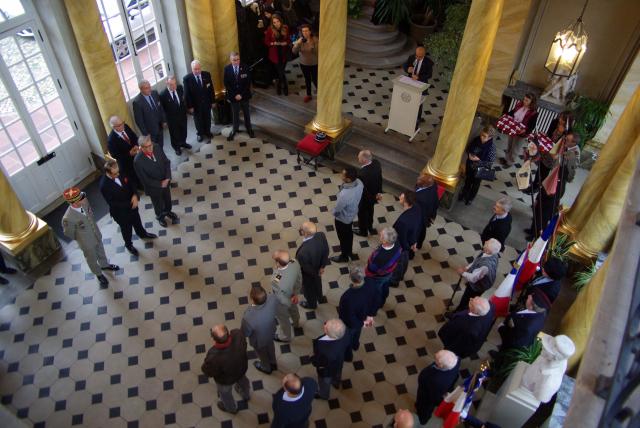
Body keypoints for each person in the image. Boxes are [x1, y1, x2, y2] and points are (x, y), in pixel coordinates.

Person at [526, 132, 580, 240]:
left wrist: (560, 158)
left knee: (545, 211)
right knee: (538, 205)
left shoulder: (574, 154)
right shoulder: (564, 147)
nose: (564, 141)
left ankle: (536, 234)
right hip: (550, 180)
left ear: (573, 142)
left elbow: (570, 176)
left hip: (557, 185)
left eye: (567, 140)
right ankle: (532, 229)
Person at [61, 187, 119, 287]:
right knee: (92, 259)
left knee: (101, 250)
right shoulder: (68, 218)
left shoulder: (85, 203)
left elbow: (90, 215)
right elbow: (69, 233)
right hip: (86, 242)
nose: (84, 198)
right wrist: (82, 239)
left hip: (95, 233)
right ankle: (98, 274)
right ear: (74, 202)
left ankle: (104, 265)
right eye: (81, 198)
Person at [99, 159, 157, 256]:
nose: (118, 174)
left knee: (137, 221)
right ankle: (129, 244)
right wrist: (130, 203)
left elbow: (131, 183)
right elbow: (112, 203)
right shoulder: (104, 185)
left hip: (133, 205)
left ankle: (142, 233)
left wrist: (135, 195)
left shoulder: (120, 171)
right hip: (121, 213)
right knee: (127, 230)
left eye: (118, 172)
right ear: (107, 173)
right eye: (115, 174)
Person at [201, 324, 250, 414]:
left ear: (214, 338)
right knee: (243, 382)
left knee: (225, 394)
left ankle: (231, 408)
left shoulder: (213, 356)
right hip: (241, 369)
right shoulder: (238, 334)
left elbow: (207, 372)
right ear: (228, 332)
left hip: (226, 380)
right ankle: (246, 395)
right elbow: (245, 345)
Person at [133, 135, 177, 228]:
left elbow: (166, 162)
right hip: (153, 188)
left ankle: (168, 211)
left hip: (165, 181)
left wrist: (168, 177)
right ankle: (160, 217)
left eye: (151, 145)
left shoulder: (156, 147)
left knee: (167, 200)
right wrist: (160, 184)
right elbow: (144, 179)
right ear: (141, 148)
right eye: (147, 146)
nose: (150, 148)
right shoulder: (138, 161)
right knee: (158, 204)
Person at [449, 238, 501, 314]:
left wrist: (462, 273)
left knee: (467, 299)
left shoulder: (485, 266)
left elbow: (473, 278)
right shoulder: (493, 253)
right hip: (480, 278)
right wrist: (467, 268)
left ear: (488, 251)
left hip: (478, 286)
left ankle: (459, 313)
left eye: (487, 243)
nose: (485, 241)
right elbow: (477, 261)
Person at [338, 266, 377, 361]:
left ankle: (348, 357)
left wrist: (360, 324)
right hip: (363, 317)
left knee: (347, 339)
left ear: (351, 278)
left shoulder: (347, 297)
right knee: (357, 333)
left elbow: (347, 317)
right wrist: (370, 315)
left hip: (352, 324)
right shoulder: (371, 283)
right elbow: (376, 299)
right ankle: (355, 345)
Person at [415, 350, 460, 425]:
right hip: (444, 387)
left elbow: (433, 397)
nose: (435, 354)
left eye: (436, 359)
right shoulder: (456, 360)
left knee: (425, 408)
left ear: (441, 366)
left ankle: (422, 420)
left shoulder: (434, 380)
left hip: (427, 396)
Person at [241, 285, 279, 374]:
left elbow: (245, 333)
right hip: (271, 332)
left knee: (262, 354)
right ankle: (273, 363)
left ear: (252, 299)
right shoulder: (272, 298)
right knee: (271, 347)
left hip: (259, 340)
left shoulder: (248, 317)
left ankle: (266, 367)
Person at [311, 318, 351, 400]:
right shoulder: (345, 331)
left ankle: (323, 395)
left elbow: (320, 362)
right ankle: (336, 382)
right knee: (337, 372)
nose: (324, 324)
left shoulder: (325, 350)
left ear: (329, 333)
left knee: (324, 382)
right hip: (339, 361)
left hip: (327, 370)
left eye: (326, 326)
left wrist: (313, 360)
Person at [330, 167, 364, 263]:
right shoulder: (359, 183)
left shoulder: (344, 195)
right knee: (349, 234)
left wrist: (334, 214)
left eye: (343, 174)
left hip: (343, 219)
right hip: (352, 213)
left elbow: (338, 209)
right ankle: (349, 251)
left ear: (348, 179)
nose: (341, 175)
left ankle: (344, 256)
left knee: (343, 238)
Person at [365, 227, 402, 311]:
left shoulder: (380, 257)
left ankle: (374, 307)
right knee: (385, 287)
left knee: (376, 291)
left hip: (377, 277)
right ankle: (382, 301)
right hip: (389, 273)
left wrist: (367, 271)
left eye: (381, 235)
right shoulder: (397, 243)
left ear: (385, 241)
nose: (379, 235)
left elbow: (371, 269)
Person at [389, 191, 421, 286]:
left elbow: (401, 239)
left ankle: (394, 281)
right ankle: (400, 275)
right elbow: (416, 227)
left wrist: (408, 246)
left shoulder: (403, 222)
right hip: (409, 240)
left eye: (402, 197)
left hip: (401, 245)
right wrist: (413, 241)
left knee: (399, 262)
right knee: (404, 260)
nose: (399, 196)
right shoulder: (417, 208)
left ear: (406, 201)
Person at [295, 221, 330, 310]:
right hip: (318, 269)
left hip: (309, 275)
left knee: (308, 289)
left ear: (306, 233)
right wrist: (322, 266)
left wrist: (316, 273)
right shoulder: (321, 235)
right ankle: (319, 297)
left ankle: (311, 304)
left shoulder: (302, 253)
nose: (299, 229)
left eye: (301, 229)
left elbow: (306, 269)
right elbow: (326, 251)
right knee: (318, 284)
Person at [459, 126, 497, 205]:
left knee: (475, 184)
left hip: (480, 169)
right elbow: (468, 148)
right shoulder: (476, 139)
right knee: (468, 180)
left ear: (490, 138)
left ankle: (470, 198)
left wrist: (478, 160)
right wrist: (469, 154)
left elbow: (490, 163)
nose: (481, 137)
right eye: (481, 134)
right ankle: (464, 193)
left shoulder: (491, 148)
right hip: (470, 164)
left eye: (484, 136)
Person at [271, 250, 302, 343]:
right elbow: (299, 279)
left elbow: (276, 290)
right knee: (294, 309)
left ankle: (285, 336)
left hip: (282, 301)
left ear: (278, 263)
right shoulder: (295, 262)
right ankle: (296, 322)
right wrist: (295, 294)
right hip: (293, 295)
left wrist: (277, 269)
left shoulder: (277, 278)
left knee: (283, 319)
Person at [224, 51, 255, 142]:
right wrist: (235, 95)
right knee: (235, 113)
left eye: (238, 59)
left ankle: (249, 128)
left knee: (246, 113)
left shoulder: (245, 67)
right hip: (233, 96)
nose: (237, 62)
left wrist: (241, 94)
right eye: (234, 60)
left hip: (244, 95)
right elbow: (227, 84)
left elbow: (247, 83)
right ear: (231, 60)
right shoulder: (227, 69)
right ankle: (235, 129)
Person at [159, 75, 192, 156]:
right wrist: (164, 120)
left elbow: (183, 99)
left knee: (183, 130)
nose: (174, 86)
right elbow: (162, 109)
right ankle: (176, 147)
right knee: (174, 134)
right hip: (172, 119)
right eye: (171, 84)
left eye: (174, 84)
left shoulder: (180, 88)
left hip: (182, 115)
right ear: (167, 83)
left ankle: (183, 142)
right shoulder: (163, 94)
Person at [183, 59, 215, 142]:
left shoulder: (206, 75)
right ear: (191, 69)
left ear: (200, 68)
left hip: (206, 102)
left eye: (198, 69)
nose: (197, 71)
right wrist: (190, 106)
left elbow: (211, 89)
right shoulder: (187, 79)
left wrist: (213, 101)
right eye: (195, 69)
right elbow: (187, 94)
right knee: (198, 120)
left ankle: (207, 131)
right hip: (195, 105)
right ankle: (200, 134)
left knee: (207, 118)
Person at [107, 115, 141, 191]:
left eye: (122, 123)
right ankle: (136, 189)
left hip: (136, 155)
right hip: (126, 163)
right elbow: (115, 155)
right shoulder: (111, 140)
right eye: (119, 125)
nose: (122, 126)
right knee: (132, 176)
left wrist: (136, 145)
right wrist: (129, 154)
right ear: (113, 127)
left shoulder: (126, 126)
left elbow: (134, 136)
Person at [503, 92, 538, 165]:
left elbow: (532, 125)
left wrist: (525, 130)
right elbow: (512, 112)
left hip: (521, 133)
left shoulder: (534, 113)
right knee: (509, 145)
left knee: (515, 148)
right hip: (513, 129)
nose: (524, 101)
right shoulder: (519, 104)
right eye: (524, 99)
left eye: (527, 101)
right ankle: (506, 159)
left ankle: (510, 162)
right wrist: (505, 116)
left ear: (531, 102)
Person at [354, 150, 382, 237]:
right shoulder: (376, 163)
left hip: (365, 198)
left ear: (364, 160)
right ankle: (369, 227)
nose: (358, 158)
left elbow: (360, 189)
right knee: (370, 211)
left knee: (362, 214)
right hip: (374, 195)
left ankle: (363, 231)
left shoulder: (362, 174)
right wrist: (379, 192)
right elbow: (380, 178)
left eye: (359, 157)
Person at [402, 45, 433, 123]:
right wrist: (407, 69)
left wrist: (418, 78)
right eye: (416, 55)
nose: (417, 58)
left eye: (420, 56)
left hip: (421, 83)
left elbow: (429, 75)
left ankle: (417, 118)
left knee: (418, 102)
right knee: (409, 98)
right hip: (410, 81)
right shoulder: (412, 57)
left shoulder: (428, 63)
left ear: (424, 55)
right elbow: (405, 65)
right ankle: (407, 114)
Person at [132, 79, 166, 148]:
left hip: (160, 126)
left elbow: (160, 108)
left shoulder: (154, 93)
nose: (150, 89)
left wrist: (164, 120)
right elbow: (139, 121)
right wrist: (146, 134)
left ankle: (161, 155)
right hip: (150, 131)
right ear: (141, 89)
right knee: (153, 147)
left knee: (161, 144)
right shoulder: (137, 102)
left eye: (149, 86)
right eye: (147, 88)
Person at [264, 13, 290, 96]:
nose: (276, 24)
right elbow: (266, 41)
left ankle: (279, 86)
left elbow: (289, 39)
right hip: (275, 54)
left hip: (284, 53)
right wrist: (273, 43)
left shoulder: (285, 28)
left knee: (280, 72)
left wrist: (286, 43)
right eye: (274, 22)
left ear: (280, 21)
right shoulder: (270, 29)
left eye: (277, 21)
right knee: (280, 71)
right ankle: (285, 87)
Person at [291, 24, 318, 102]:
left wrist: (312, 47)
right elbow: (294, 52)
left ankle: (321, 94)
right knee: (307, 79)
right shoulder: (300, 40)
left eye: (306, 31)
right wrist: (297, 44)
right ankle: (308, 95)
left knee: (315, 80)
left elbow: (318, 52)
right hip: (303, 63)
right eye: (303, 31)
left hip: (314, 63)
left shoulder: (315, 40)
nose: (305, 33)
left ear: (310, 31)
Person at [414, 173, 439, 251]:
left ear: (424, 184)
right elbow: (436, 202)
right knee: (422, 230)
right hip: (426, 214)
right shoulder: (433, 186)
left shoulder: (421, 198)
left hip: (421, 217)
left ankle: (416, 246)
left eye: (419, 180)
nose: (417, 179)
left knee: (417, 232)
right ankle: (419, 244)